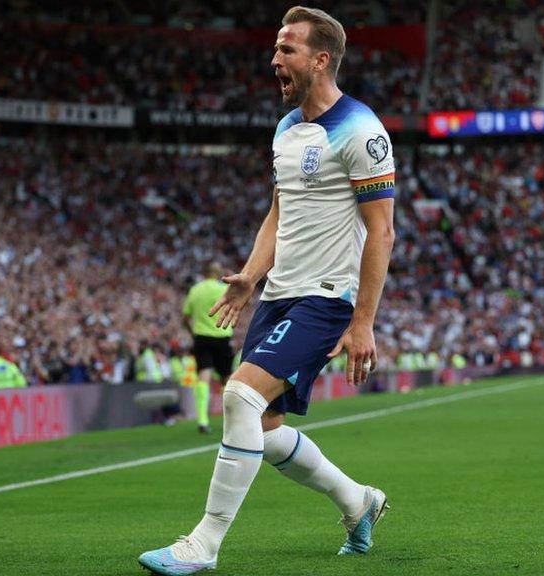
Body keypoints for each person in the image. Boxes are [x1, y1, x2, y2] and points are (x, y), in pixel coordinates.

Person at [139, 6, 396, 574]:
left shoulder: (361, 129)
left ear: (321, 59)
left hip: (326, 297)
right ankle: (358, 502)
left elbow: (382, 230)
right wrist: (250, 278)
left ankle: (203, 544)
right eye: (276, 49)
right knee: (265, 428)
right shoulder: (285, 129)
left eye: (287, 50)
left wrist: (363, 322)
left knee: (238, 397)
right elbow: (278, 214)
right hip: (279, 293)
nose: (274, 60)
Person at [183, 262, 235, 433]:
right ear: (218, 272)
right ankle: (234, 418)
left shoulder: (195, 290)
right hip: (222, 336)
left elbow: (185, 317)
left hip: (202, 338)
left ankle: (203, 420)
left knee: (204, 375)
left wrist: (193, 332)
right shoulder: (223, 289)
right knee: (227, 378)